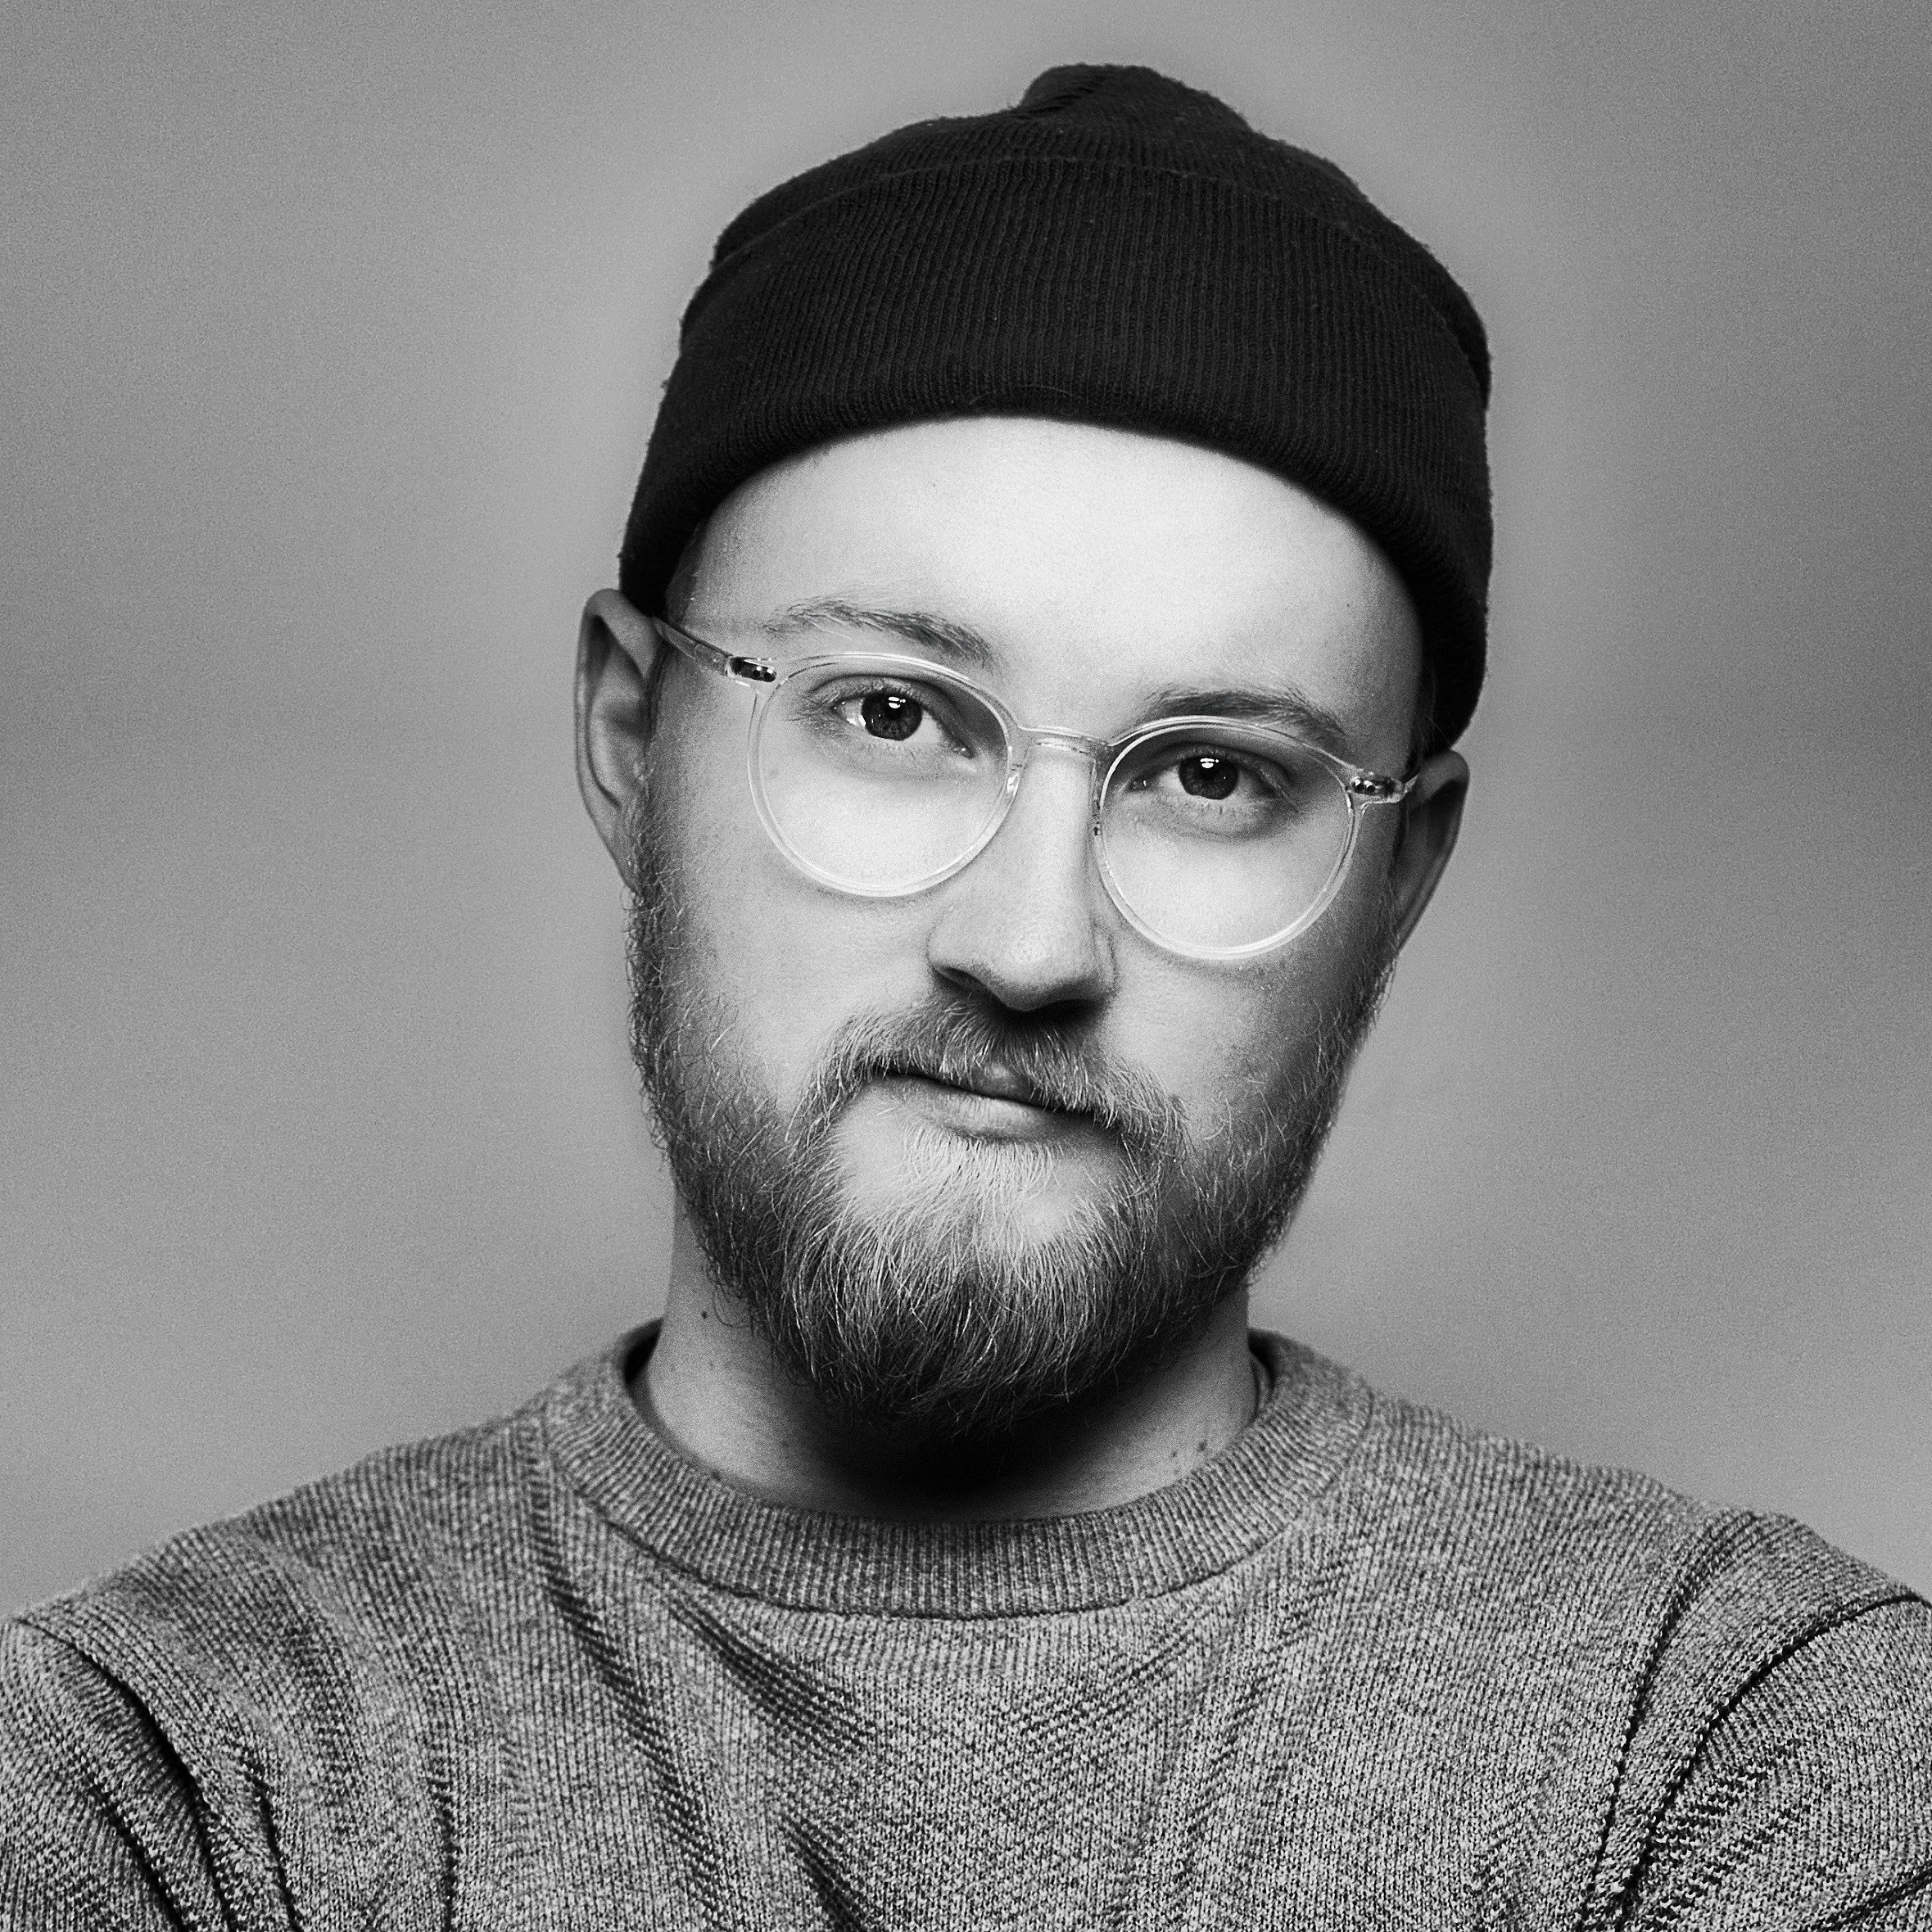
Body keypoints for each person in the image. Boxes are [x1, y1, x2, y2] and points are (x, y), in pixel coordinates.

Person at [2, 62, 1926, 1928]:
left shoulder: (1728, 1752)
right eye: (898, 717)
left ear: (1400, 877)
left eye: (1212, 773)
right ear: (631, 737)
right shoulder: (174, 1781)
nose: (1030, 942)